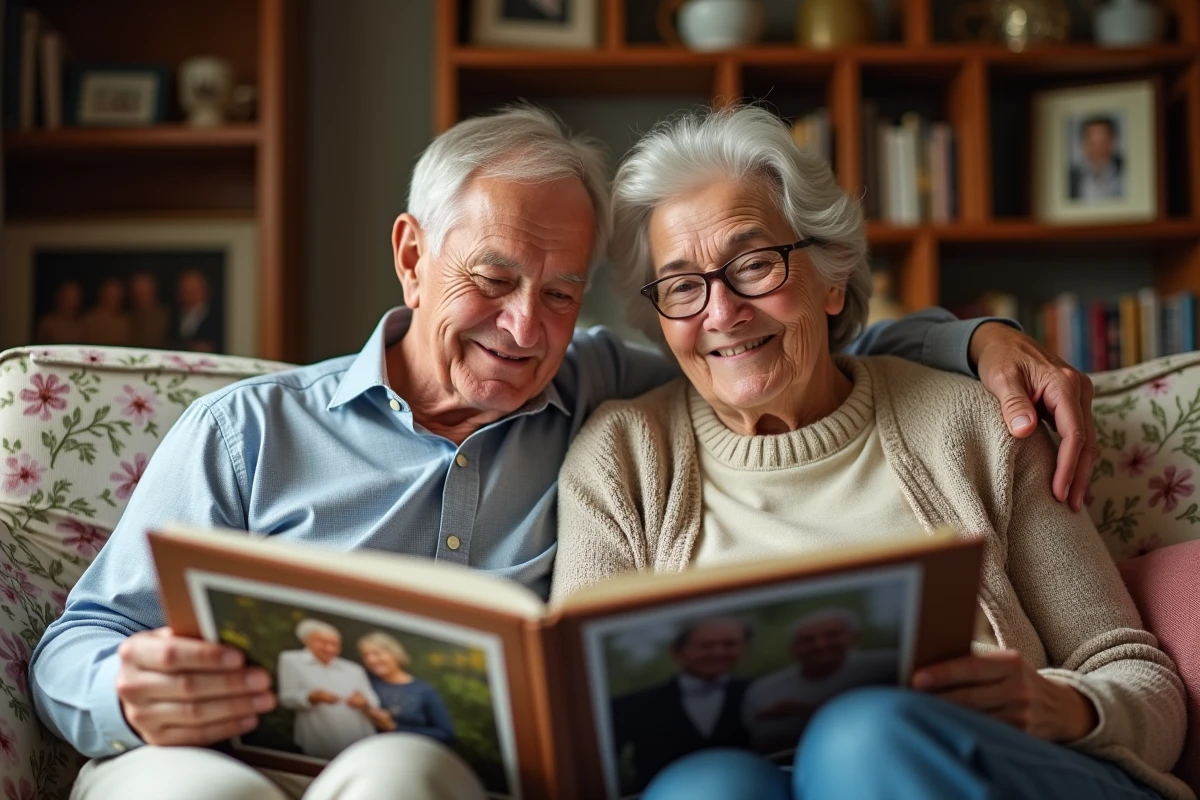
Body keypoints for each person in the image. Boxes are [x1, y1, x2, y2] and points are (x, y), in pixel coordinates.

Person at [30, 104, 1102, 800]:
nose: (524, 328)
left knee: (401, 775)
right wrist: (127, 689)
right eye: (492, 280)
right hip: (212, 761)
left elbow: (800, 348)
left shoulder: (603, 390)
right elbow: (74, 639)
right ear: (413, 256)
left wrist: (974, 340)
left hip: (412, 775)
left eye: (558, 294)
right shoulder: (247, 429)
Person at [551, 106, 1189, 800]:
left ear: (831, 278)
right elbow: (587, 732)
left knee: (861, 740)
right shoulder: (623, 460)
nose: (722, 312)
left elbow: (1140, 679)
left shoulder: (974, 425)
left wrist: (1064, 705)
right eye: (682, 286)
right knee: (705, 789)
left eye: (755, 264)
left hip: (969, 766)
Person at [612, 617, 752, 793]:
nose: (718, 652)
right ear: (676, 652)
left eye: (730, 644)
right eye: (705, 646)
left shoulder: (760, 691)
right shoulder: (630, 706)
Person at [741, 610, 897, 754]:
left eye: (832, 635)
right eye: (807, 640)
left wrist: (800, 710)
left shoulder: (890, 665)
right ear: (792, 648)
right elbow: (761, 736)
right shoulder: (764, 689)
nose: (820, 644)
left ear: (855, 637)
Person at [276, 619, 380, 760]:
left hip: (358, 736)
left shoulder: (353, 669)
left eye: (335, 644)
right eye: (323, 642)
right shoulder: (291, 660)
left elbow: (373, 701)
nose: (330, 648)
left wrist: (363, 702)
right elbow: (286, 698)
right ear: (307, 641)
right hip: (319, 737)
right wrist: (312, 696)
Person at [357, 631, 456, 744]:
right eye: (366, 655)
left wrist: (395, 727)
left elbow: (447, 734)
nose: (371, 660)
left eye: (377, 653)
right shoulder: (364, 682)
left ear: (394, 654)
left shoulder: (423, 691)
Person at [1069, 115, 1124, 201]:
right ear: (1083, 144)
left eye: (1103, 142)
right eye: (1093, 143)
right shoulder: (1071, 177)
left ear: (1113, 142)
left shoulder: (1126, 171)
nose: (1098, 149)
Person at [171, 269, 222, 352]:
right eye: (184, 290)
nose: (188, 294)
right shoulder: (173, 316)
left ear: (204, 290)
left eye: (192, 289)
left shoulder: (217, 317)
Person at [81, 278, 132, 346]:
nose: (113, 299)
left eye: (116, 295)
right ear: (102, 295)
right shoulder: (90, 319)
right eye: (110, 295)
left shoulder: (126, 321)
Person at [129, 272, 171, 349]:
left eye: (145, 292)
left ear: (153, 292)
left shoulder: (164, 316)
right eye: (138, 293)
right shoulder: (127, 316)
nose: (141, 297)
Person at [36, 280, 85, 344]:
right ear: (59, 299)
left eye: (74, 299)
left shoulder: (82, 325)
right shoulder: (48, 324)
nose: (71, 304)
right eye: (68, 299)